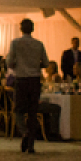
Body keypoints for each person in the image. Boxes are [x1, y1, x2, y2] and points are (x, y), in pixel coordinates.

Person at [6, 19, 49, 153]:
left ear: (21, 29)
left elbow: (9, 62)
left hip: (21, 79)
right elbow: (46, 63)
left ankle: (24, 132)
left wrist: (18, 65)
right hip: (35, 80)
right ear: (32, 29)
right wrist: (35, 65)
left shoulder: (15, 43)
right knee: (32, 112)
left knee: (18, 110)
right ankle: (31, 145)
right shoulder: (39, 44)